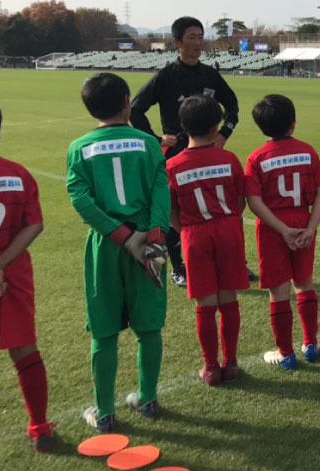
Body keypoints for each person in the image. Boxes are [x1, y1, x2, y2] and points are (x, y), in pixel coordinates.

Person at [67, 73, 170, 433]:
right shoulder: (148, 143)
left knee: (104, 331)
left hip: (107, 246)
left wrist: (121, 234)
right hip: (150, 243)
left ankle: (106, 412)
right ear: (127, 102)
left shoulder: (79, 147)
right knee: (149, 327)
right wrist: (151, 234)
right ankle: (148, 398)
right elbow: (161, 189)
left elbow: (80, 198)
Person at [129, 16, 247, 288]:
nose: (197, 42)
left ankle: (231, 260)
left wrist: (223, 135)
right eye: (191, 37)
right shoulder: (166, 76)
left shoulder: (210, 74)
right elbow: (136, 109)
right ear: (177, 42)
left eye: (200, 36)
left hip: (209, 151)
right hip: (177, 153)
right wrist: (158, 139)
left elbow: (233, 108)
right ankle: (179, 266)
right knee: (175, 210)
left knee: (219, 205)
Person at [166, 96, 248, 386]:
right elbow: (240, 200)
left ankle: (211, 367)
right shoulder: (229, 159)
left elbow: (170, 211)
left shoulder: (173, 165)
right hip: (228, 228)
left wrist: (186, 228)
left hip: (194, 232)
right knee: (228, 298)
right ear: (216, 128)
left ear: (183, 127)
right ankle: (232, 362)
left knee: (205, 302)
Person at [245, 95, 320, 369]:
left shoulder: (256, 158)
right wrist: (311, 227)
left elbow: (254, 201)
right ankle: (312, 344)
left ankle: (286, 353)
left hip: (273, 227)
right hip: (302, 220)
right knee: (304, 283)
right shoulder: (307, 151)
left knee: (278, 291)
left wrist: (282, 230)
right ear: (292, 124)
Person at [0, 99, 55, 451]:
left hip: (2, 268)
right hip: (11, 270)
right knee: (25, 349)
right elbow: (35, 224)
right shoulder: (17, 173)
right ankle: (40, 427)